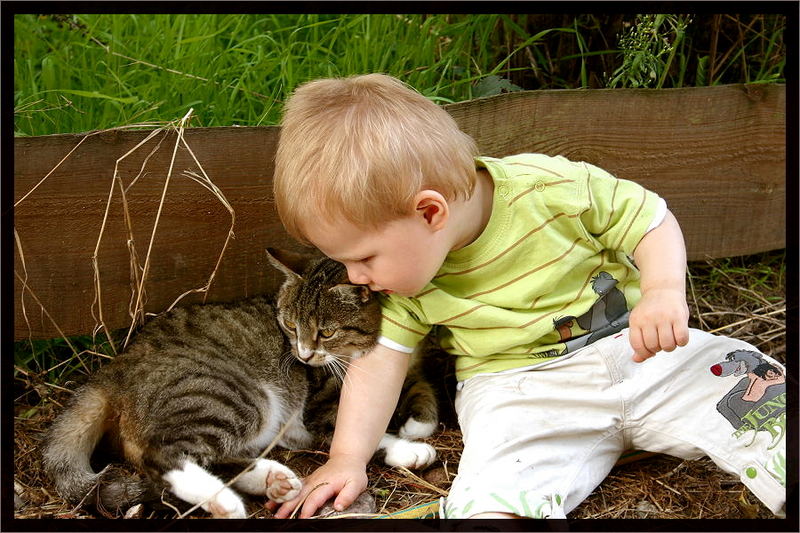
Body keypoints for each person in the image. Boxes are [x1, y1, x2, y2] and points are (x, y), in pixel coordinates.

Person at [269, 73, 786, 519]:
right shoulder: (404, 283)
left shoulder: (552, 191)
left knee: (754, 390)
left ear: (429, 213)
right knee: (493, 492)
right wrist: (347, 458)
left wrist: (663, 290)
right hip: (517, 391)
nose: (354, 277)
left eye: (363, 258)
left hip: (643, 351)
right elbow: (379, 365)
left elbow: (648, 219)